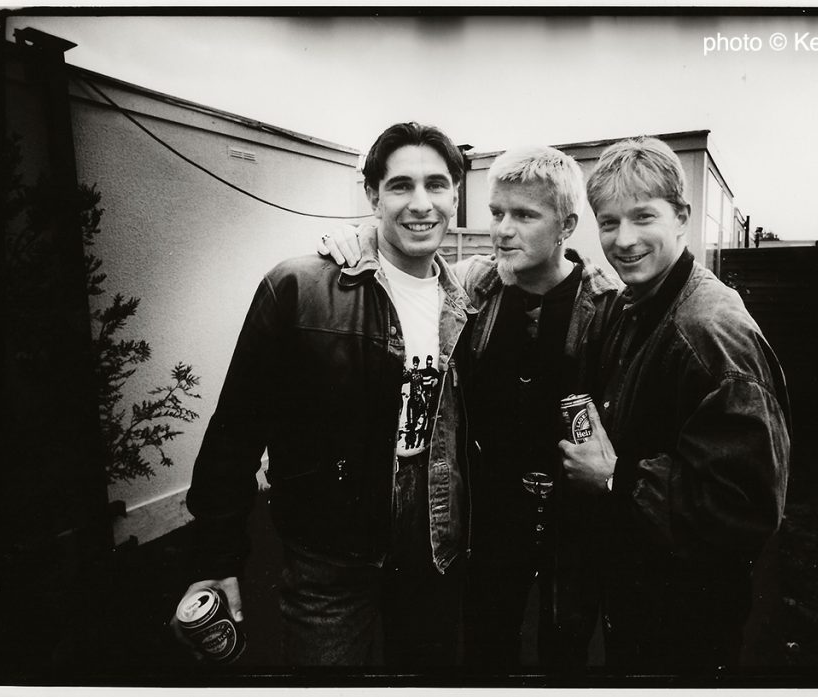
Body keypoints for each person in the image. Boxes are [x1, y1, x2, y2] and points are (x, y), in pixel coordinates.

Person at [172, 121, 475, 667]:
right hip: (330, 555)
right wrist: (215, 557)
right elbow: (236, 429)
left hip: (433, 547)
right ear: (372, 195)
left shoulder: (471, 301)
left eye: (436, 184)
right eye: (401, 185)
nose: (420, 203)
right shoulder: (297, 289)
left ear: (456, 194)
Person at [317, 145, 621, 671]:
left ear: (566, 225)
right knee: (485, 642)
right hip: (489, 513)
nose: (504, 229)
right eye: (497, 212)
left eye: (525, 215)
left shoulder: (606, 306)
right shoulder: (473, 283)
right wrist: (358, 238)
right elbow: (404, 266)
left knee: (565, 646)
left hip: (575, 520)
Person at [559, 137, 791, 671]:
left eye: (644, 217)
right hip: (638, 595)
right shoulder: (633, 304)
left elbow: (747, 507)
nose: (624, 240)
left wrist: (615, 478)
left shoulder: (708, 331)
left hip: (687, 619)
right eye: (609, 222)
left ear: (681, 216)